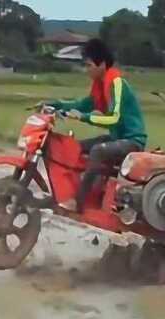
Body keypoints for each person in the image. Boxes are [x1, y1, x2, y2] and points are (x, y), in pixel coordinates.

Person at [49, 39, 147, 213]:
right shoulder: (100, 84)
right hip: (117, 138)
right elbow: (83, 104)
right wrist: (56, 104)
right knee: (76, 146)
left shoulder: (117, 84)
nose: (86, 70)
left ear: (101, 64)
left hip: (132, 141)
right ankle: (84, 189)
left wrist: (85, 118)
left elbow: (114, 118)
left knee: (97, 151)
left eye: (88, 66)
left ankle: (78, 202)